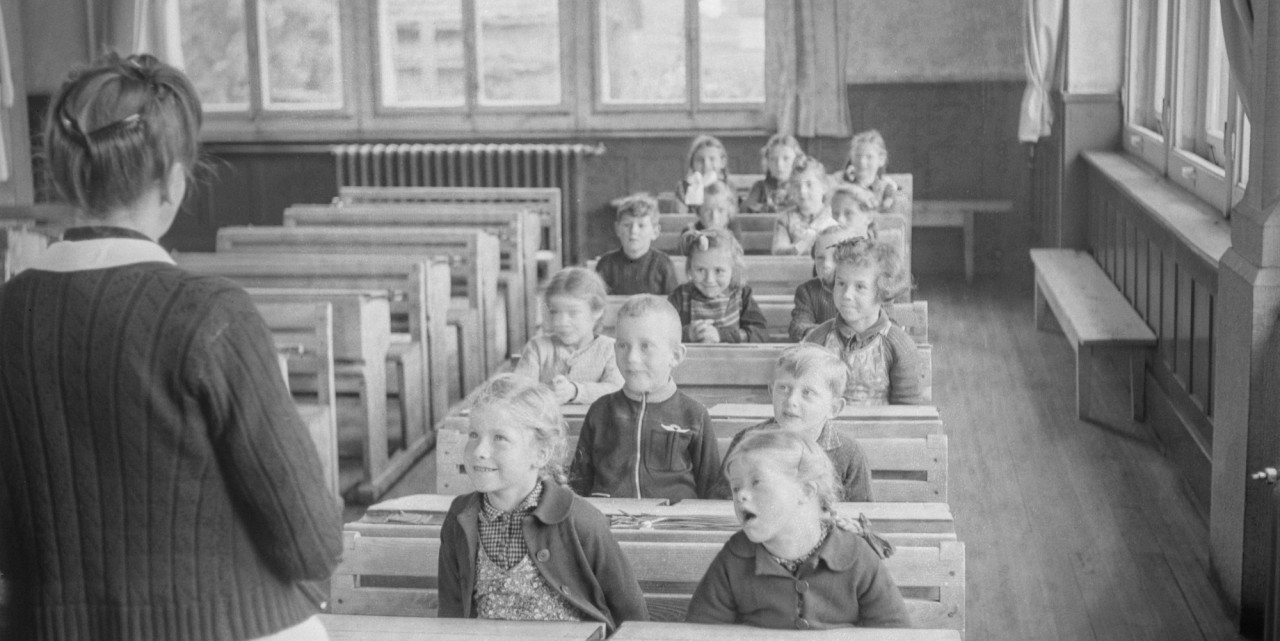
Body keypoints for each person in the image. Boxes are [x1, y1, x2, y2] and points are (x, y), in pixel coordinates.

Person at [0, 53, 342, 641]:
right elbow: (309, 539)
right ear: (174, 182)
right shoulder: (211, 315)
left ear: (63, 175)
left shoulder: (8, 310)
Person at [438, 375, 648, 633]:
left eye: (499, 438)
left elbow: (631, 613)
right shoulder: (461, 516)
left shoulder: (580, 520)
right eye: (474, 434)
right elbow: (451, 610)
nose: (479, 450)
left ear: (540, 454)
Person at [686, 430, 911, 629]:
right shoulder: (735, 555)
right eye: (736, 487)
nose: (741, 495)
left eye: (756, 482)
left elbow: (894, 632)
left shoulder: (856, 556)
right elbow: (701, 631)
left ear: (805, 491)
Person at [569, 295, 720, 502]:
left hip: (673, 527)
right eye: (623, 345)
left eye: (645, 346)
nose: (631, 358)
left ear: (675, 356)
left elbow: (711, 489)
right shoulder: (600, 410)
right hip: (609, 525)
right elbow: (578, 487)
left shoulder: (694, 415)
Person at [712, 344, 873, 502]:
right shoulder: (747, 441)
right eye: (783, 388)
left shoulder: (850, 454)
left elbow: (862, 518)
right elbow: (720, 504)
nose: (791, 401)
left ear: (833, 408)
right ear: (771, 391)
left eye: (807, 393)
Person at [804, 238, 922, 405]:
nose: (846, 295)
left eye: (860, 287)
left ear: (882, 290)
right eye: (841, 283)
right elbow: (805, 395)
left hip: (883, 430)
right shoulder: (818, 339)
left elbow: (907, 410)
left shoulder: (898, 345)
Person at [514, 267, 623, 405]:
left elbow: (617, 389)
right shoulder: (537, 347)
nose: (561, 322)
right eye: (555, 312)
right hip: (545, 424)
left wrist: (575, 391)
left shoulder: (610, 349)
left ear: (597, 311)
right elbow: (519, 390)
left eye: (573, 313)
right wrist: (547, 390)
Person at [668, 229, 768, 344]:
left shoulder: (742, 295)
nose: (709, 280)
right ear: (690, 268)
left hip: (734, 360)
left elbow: (761, 333)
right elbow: (662, 331)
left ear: (733, 270)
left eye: (718, 271)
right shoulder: (680, 296)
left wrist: (721, 335)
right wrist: (687, 334)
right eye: (700, 270)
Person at [594, 193, 680, 296]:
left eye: (641, 225)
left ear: (655, 232)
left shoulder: (663, 265)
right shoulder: (606, 264)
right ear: (617, 229)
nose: (633, 231)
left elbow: (673, 306)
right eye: (627, 225)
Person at [789, 225, 864, 341]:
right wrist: (835, 336)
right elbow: (799, 326)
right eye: (820, 258)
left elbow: (886, 325)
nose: (826, 265)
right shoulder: (807, 291)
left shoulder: (868, 288)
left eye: (835, 257)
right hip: (823, 353)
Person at [771, 156, 839, 256]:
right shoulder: (785, 219)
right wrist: (802, 245)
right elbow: (778, 251)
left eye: (809, 184)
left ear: (824, 187)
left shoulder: (835, 216)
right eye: (797, 185)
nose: (802, 191)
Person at [834, 129, 899, 215]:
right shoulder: (842, 183)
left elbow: (888, 215)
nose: (862, 162)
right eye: (858, 156)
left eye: (869, 157)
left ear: (881, 159)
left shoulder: (885, 188)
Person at [743, 133, 803, 213]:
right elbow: (745, 211)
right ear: (767, 162)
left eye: (786, 158)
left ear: (797, 160)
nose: (779, 165)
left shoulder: (802, 187)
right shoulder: (760, 187)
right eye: (773, 159)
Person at [676, 135, 731, 211]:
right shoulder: (684, 188)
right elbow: (679, 218)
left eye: (712, 159)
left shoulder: (728, 186)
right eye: (700, 160)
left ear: (722, 162)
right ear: (692, 164)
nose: (706, 165)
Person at [680, 180, 743, 246]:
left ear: (729, 212)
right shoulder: (690, 234)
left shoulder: (734, 232)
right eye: (708, 210)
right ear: (699, 211)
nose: (714, 217)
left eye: (721, 210)